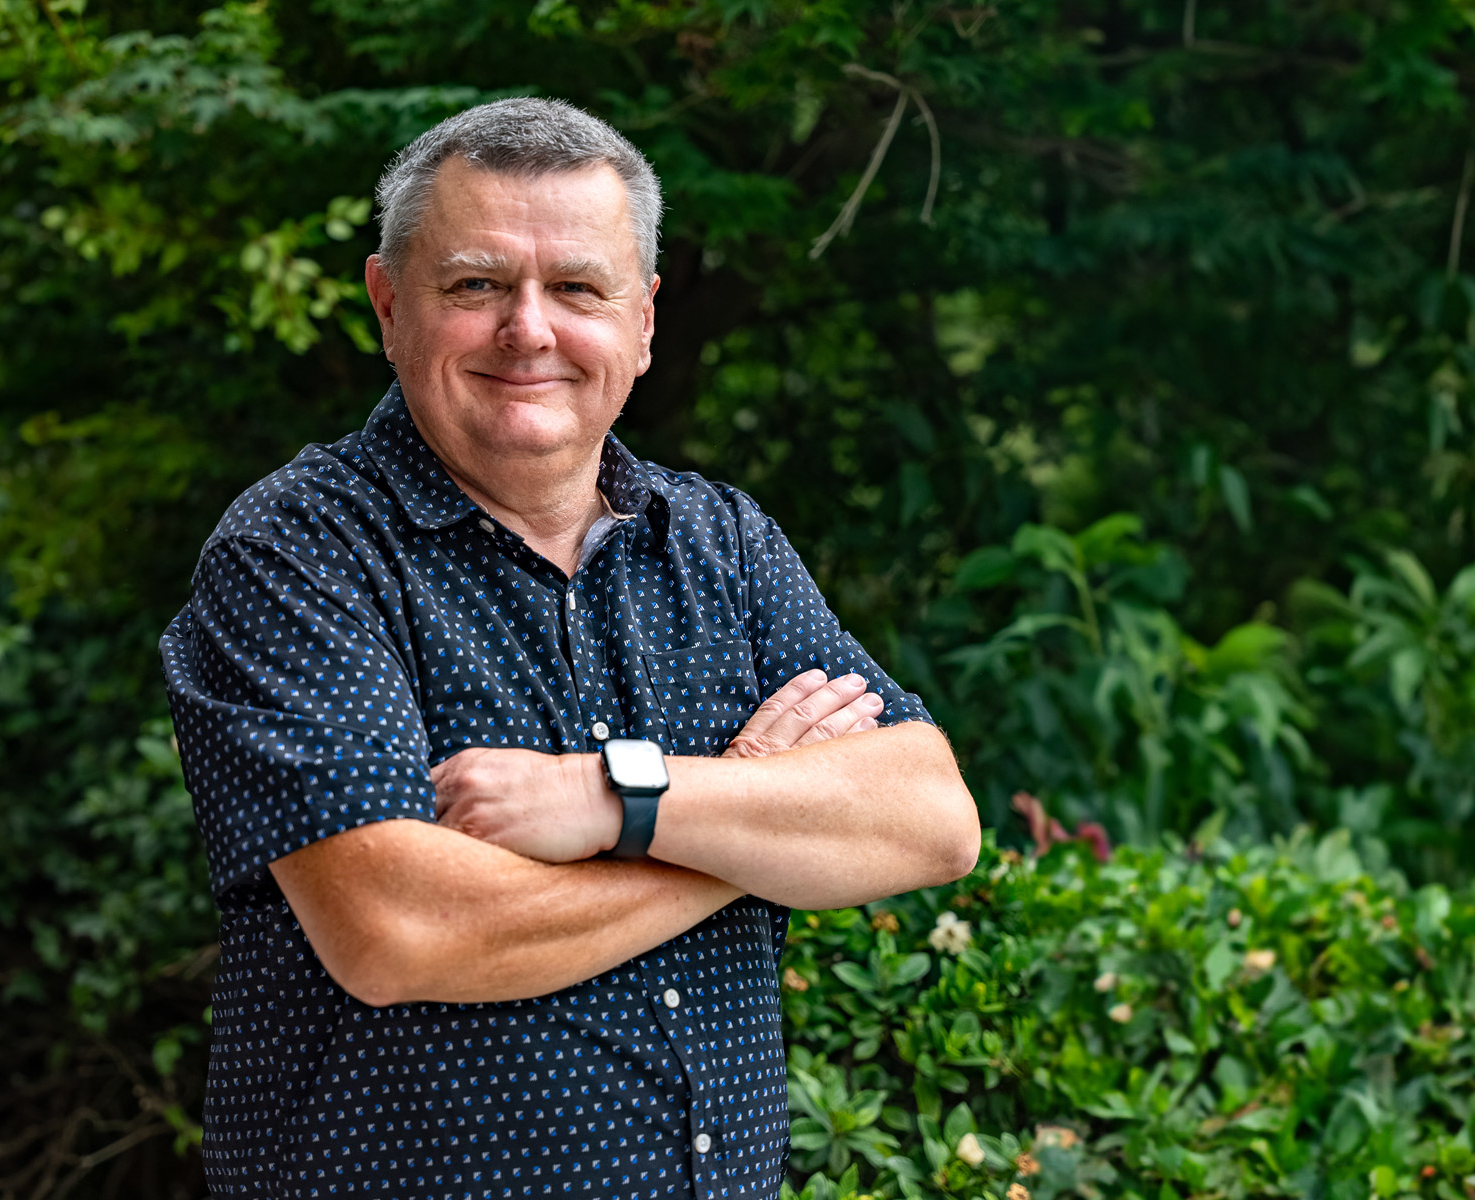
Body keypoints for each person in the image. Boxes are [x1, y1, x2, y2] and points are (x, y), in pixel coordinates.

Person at [159, 96, 979, 1199]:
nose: (529, 330)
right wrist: (740, 823)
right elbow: (399, 930)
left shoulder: (721, 545)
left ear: (642, 322)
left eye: (577, 289)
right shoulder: (297, 553)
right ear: (388, 303)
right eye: (476, 284)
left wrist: (612, 802)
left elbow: (928, 820)